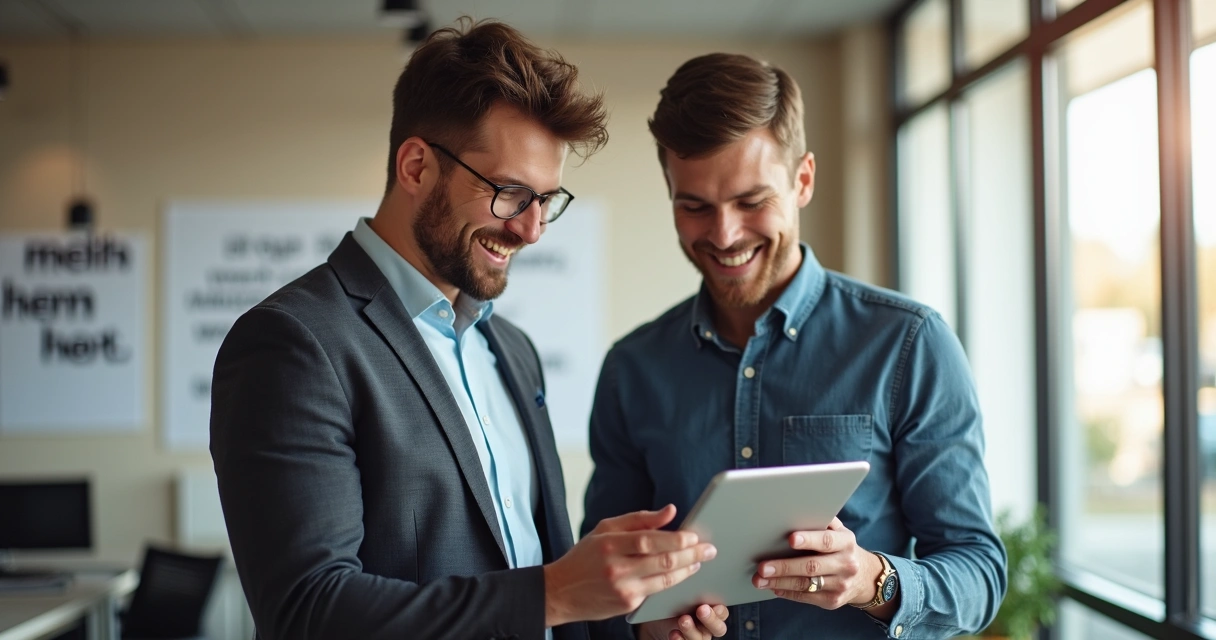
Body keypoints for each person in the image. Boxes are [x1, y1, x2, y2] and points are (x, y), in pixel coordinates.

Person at [209, 20, 722, 640]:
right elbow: (309, 611)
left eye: (547, 201)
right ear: (417, 166)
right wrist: (554, 593)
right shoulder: (293, 343)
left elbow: (540, 582)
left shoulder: (511, 350)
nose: (531, 230)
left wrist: (633, 624)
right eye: (509, 193)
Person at [582, 52, 1007, 640]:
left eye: (752, 201)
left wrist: (870, 580)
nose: (724, 235)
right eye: (695, 207)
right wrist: (642, 630)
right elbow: (597, 585)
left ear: (802, 179)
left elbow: (979, 574)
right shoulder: (631, 370)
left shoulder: (909, 343)